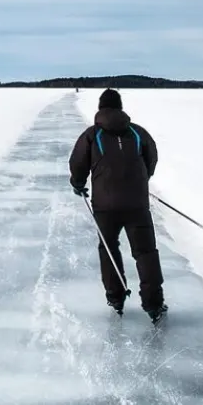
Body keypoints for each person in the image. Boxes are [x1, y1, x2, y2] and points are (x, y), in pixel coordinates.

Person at [69, 88, 168, 322]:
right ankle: (154, 304)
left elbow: (77, 162)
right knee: (146, 252)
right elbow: (151, 158)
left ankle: (115, 297)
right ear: (120, 107)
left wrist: (78, 183)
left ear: (100, 108)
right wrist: (142, 180)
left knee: (108, 248)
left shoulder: (92, 134)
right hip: (137, 205)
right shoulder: (137, 132)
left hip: (104, 206)